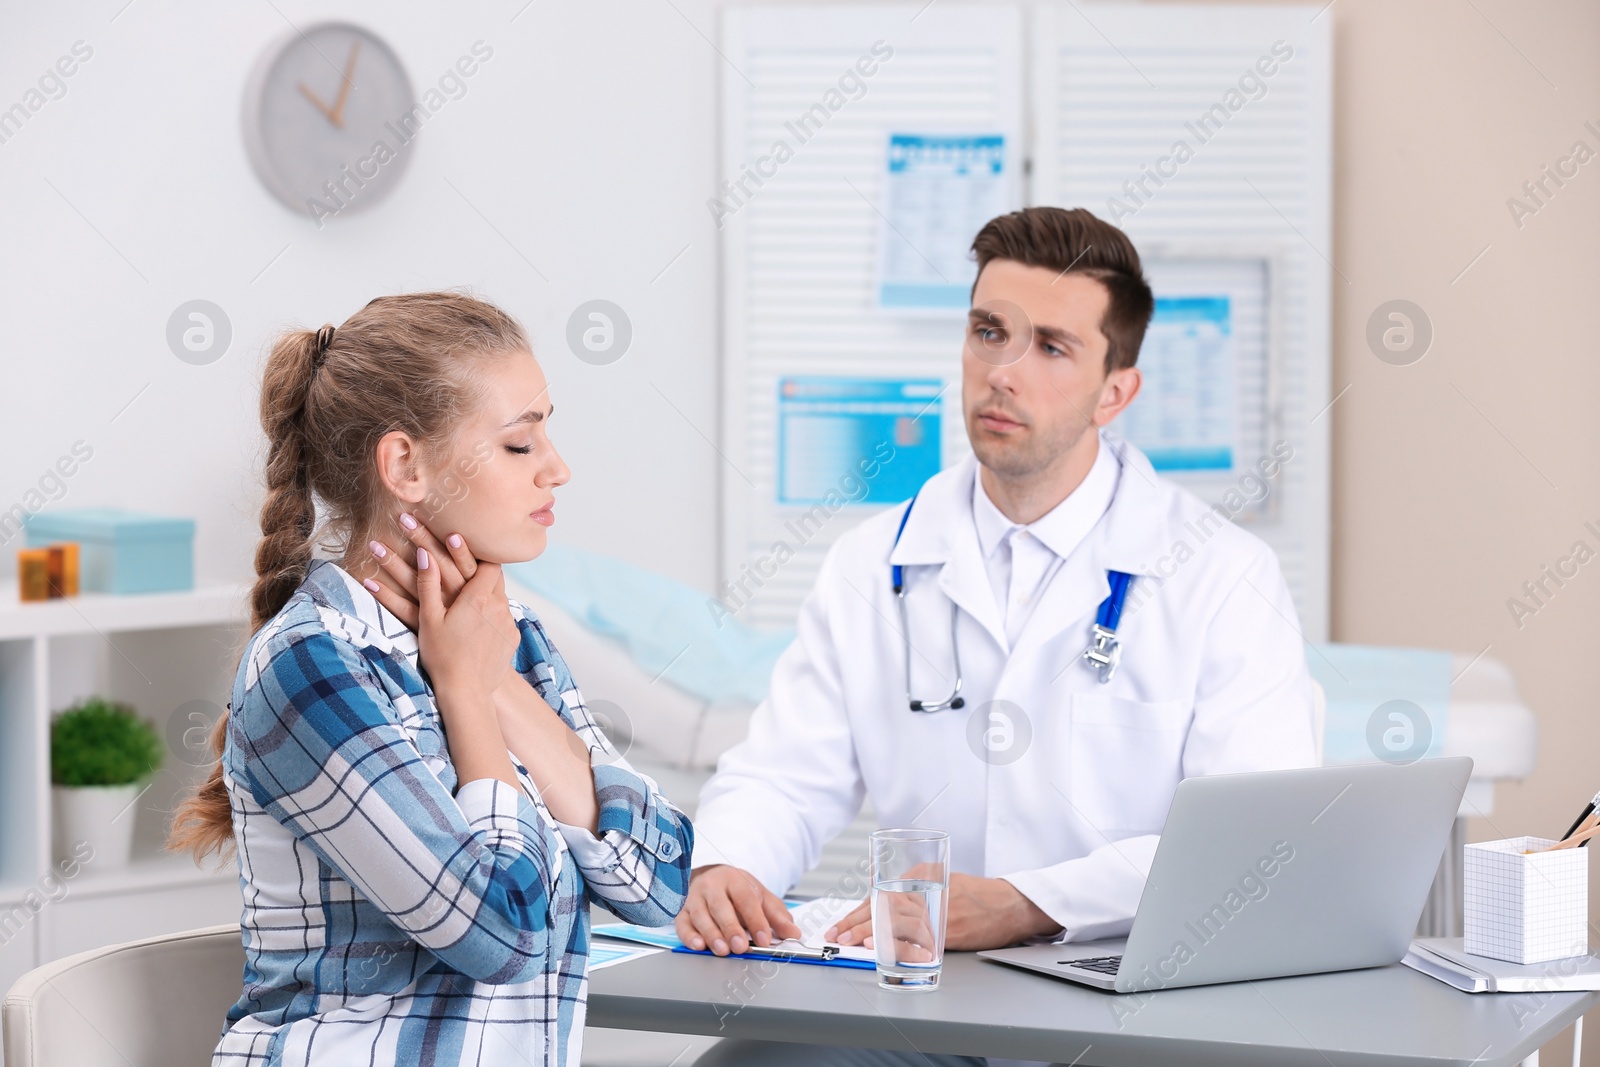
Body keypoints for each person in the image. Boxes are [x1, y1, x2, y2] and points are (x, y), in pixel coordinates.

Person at [681, 208, 1316, 1067]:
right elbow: (784, 778)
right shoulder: (874, 564)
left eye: (1051, 347)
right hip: (923, 1008)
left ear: (1115, 389)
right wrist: (727, 866)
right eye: (990, 332)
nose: (1003, 373)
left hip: (1129, 1013)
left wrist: (1025, 902)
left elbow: (1250, 845)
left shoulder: (1221, 575)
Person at [169, 292, 693, 1067]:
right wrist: (465, 691)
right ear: (405, 466)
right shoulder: (309, 665)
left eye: (549, 430)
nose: (558, 468)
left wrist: (494, 681)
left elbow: (658, 881)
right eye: (520, 445)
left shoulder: (507, 639)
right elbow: (502, 932)